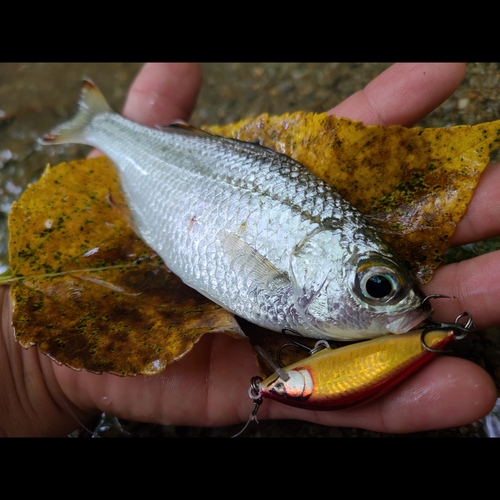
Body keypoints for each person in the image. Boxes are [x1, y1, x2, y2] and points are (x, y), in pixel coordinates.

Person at [0, 63, 497, 437]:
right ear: (316, 256)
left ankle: (101, 123)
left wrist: (28, 374)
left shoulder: (313, 288)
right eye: (377, 286)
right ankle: (102, 125)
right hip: (162, 191)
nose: (390, 300)